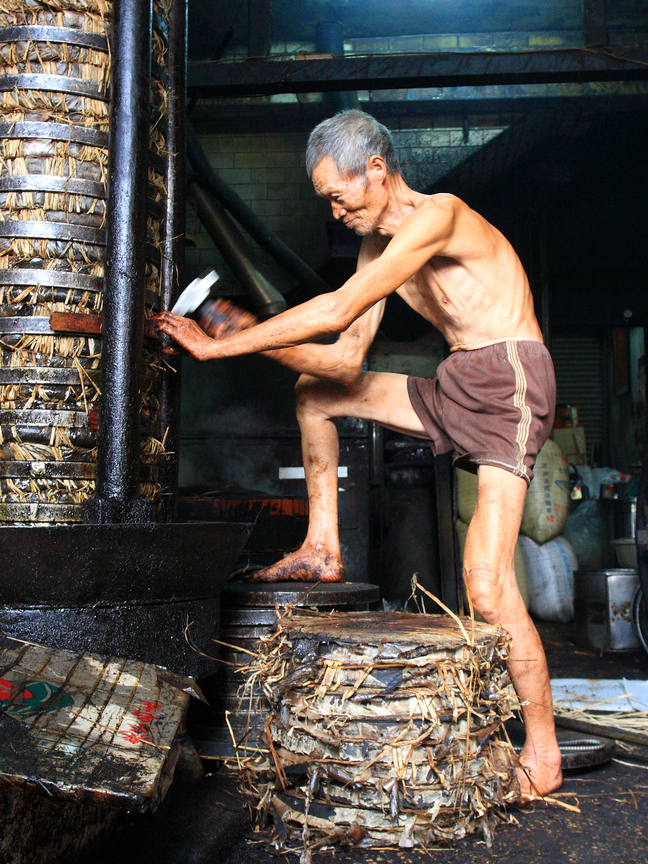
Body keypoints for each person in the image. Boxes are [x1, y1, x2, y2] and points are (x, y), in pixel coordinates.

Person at [156, 110, 562, 799]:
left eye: (337, 195)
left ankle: (544, 755)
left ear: (376, 169)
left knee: (486, 583)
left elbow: (338, 310)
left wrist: (220, 346)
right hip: (458, 378)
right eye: (326, 202)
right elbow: (342, 356)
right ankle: (323, 545)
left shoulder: (441, 216)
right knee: (318, 395)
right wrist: (253, 333)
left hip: (509, 379)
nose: (335, 211)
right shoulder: (378, 246)